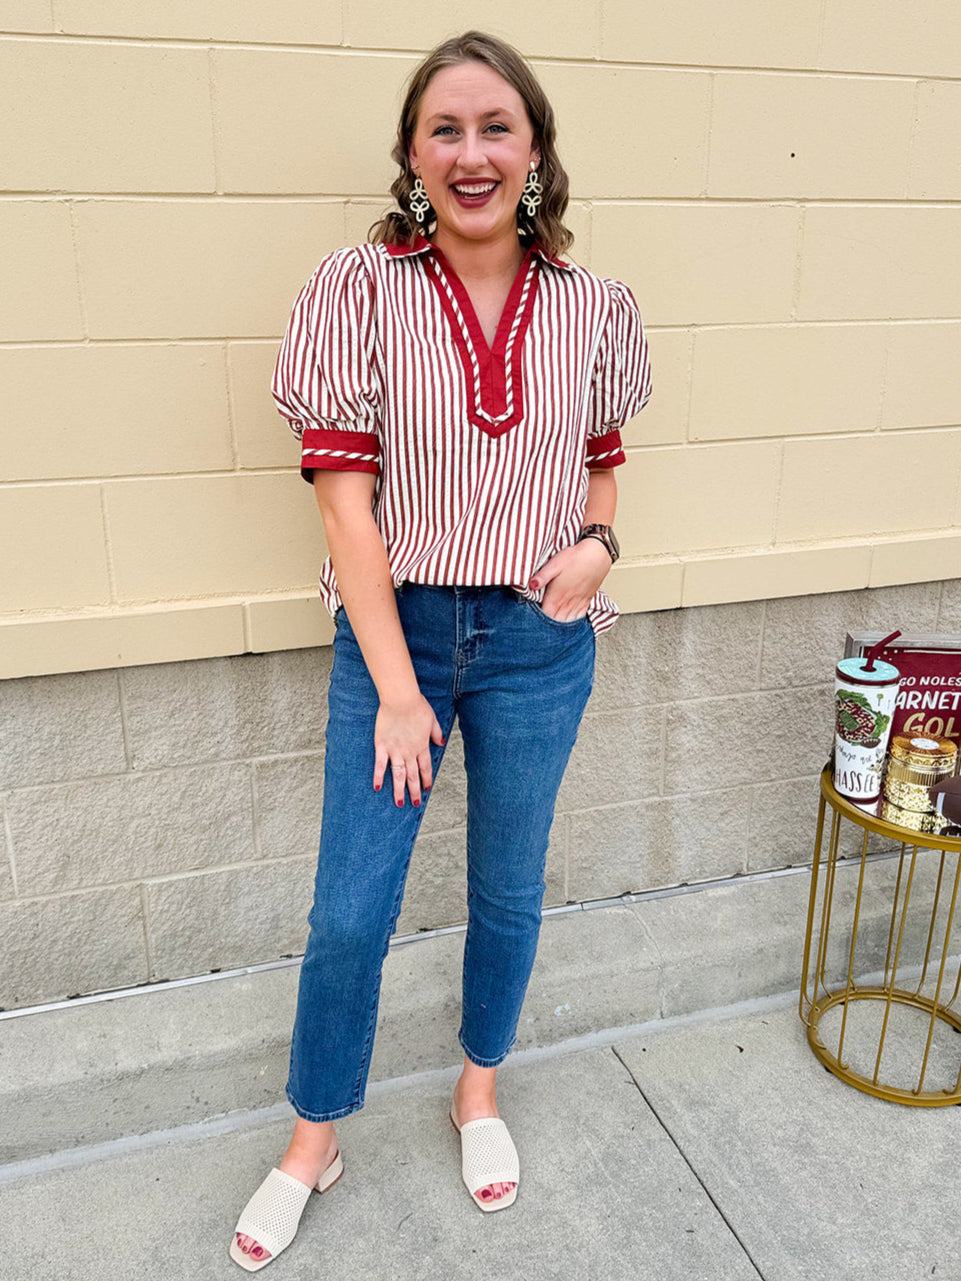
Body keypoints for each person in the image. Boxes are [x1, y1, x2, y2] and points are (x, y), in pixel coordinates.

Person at [230, 29, 651, 1271]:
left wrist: (598, 550)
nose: (472, 153)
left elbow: (604, 463)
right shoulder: (353, 291)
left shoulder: (595, 308)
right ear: (413, 157)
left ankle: (477, 1092)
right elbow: (341, 502)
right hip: (392, 634)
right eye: (444, 131)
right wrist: (400, 690)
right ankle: (316, 1137)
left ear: (535, 152)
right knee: (349, 912)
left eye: (496, 128)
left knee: (508, 890)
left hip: (538, 637)